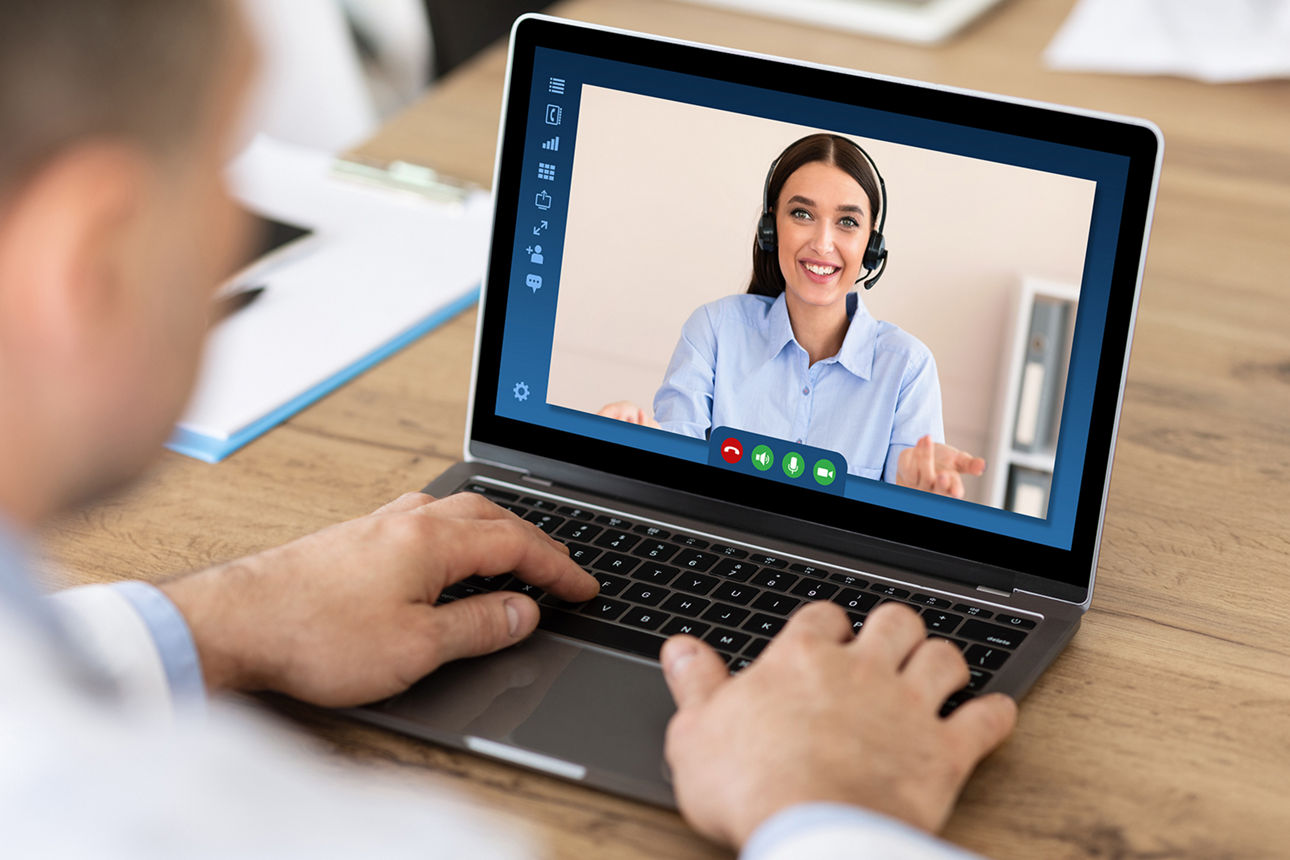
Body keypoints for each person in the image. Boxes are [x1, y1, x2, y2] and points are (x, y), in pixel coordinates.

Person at [0, 1, 1016, 856]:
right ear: (87, 253)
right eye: (226, 163)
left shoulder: (907, 362)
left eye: (846, 221)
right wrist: (827, 814)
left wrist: (207, 618)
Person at [605, 134, 986, 499]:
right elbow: (675, 456)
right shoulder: (714, 330)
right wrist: (638, 439)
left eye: (847, 222)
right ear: (770, 228)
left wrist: (915, 489)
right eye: (802, 214)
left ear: (872, 245)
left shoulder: (907, 367)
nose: (822, 243)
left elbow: (906, 502)